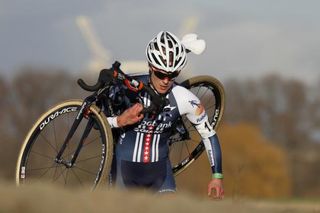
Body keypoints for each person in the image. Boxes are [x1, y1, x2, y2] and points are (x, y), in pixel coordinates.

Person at [106, 31, 224, 199]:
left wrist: (217, 177)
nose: (166, 81)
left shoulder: (184, 97)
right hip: (123, 172)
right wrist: (119, 121)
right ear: (150, 67)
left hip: (160, 174)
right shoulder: (126, 89)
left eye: (173, 75)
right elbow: (97, 123)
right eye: (161, 74)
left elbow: (209, 135)